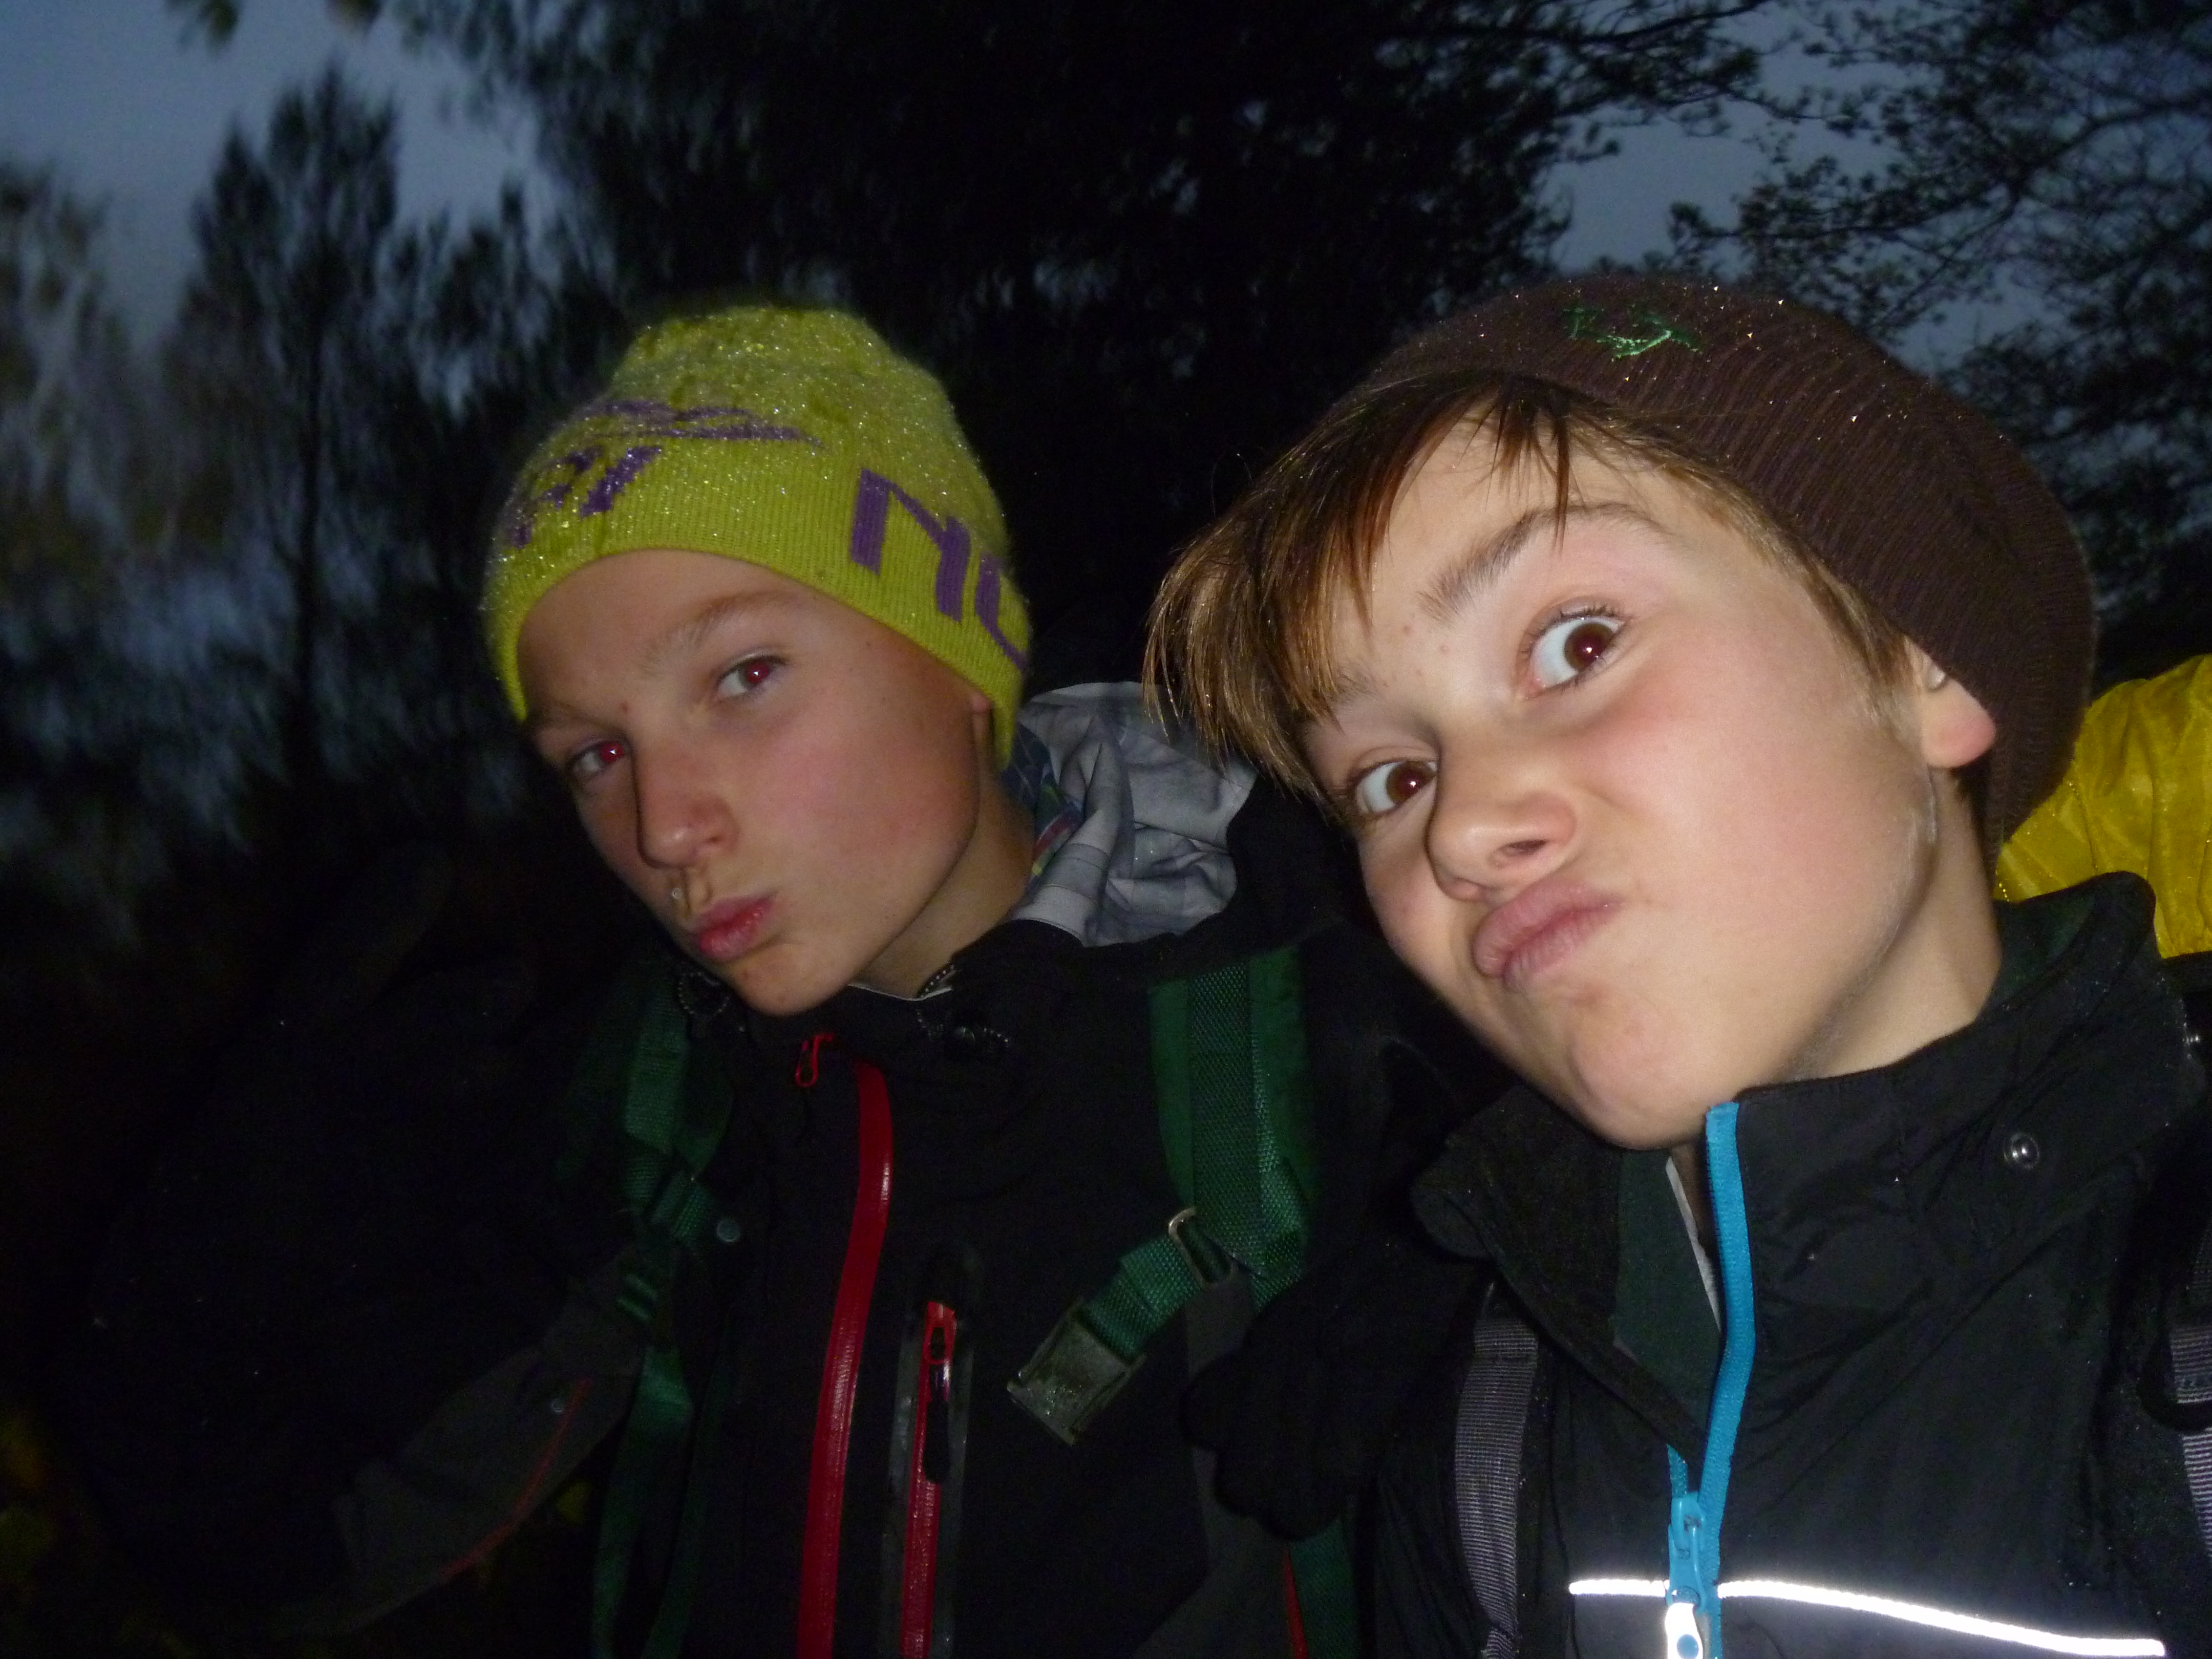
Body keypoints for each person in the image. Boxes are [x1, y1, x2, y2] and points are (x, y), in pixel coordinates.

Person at [56, 303, 1500, 1658]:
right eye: (596, 754)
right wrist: (190, 1302)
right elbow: (274, 1559)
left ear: (961, 650)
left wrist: (1519, 1304)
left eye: (742, 677)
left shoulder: (1341, 1000)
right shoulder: (654, 1107)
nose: (663, 827)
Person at [1146, 275, 2212, 1657]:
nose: (1458, 829)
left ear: (1925, 664)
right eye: (1391, 778)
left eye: (1577, 645)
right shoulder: (1488, 1421)